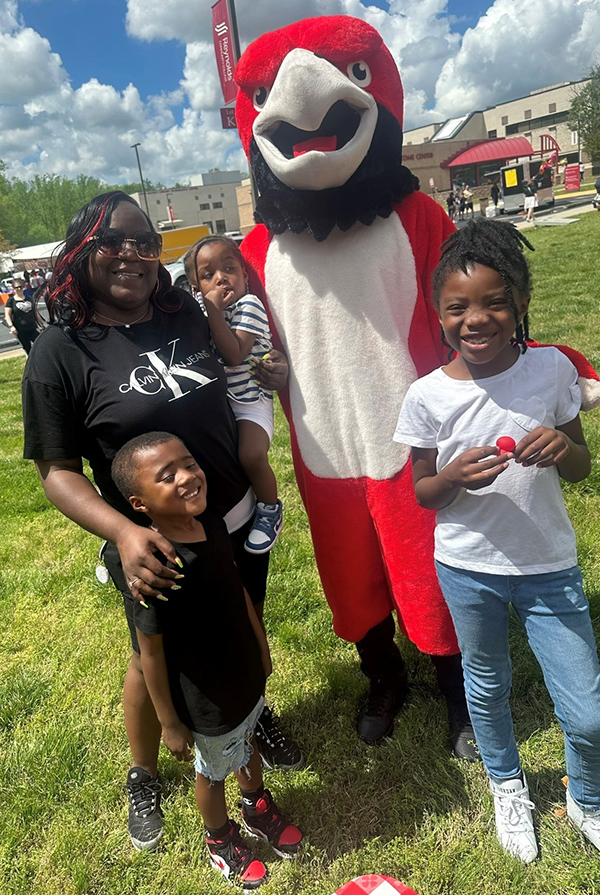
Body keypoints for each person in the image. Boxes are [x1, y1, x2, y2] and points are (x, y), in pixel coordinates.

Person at [21, 190, 303, 855]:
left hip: (232, 517)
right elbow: (56, 470)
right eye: (111, 241)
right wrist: (121, 532)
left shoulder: (185, 314)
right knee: (152, 655)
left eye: (143, 242)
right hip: (155, 544)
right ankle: (144, 771)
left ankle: (244, 716)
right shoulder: (60, 352)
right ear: (82, 251)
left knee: (237, 625)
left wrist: (273, 369)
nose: (130, 254)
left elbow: (239, 372)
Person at [394, 218, 600, 862]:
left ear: (520, 304)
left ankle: (586, 796)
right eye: (457, 308)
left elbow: (581, 465)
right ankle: (506, 783)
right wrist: (450, 477)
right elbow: (423, 492)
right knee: (487, 683)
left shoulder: (549, 370)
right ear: (439, 313)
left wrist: (564, 445)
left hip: (548, 564)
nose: (475, 319)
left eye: (494, 302)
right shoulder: (427, 395)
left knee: (587, 709)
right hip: (467, 566)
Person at [111, 432, 303, 889]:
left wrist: (261, 644)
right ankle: (219, 838)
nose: (186, 477)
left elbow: (237, 588)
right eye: (167, 475)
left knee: (250, 739)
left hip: (242, 672)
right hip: (204, 695)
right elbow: (150, 652)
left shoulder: (212, 522)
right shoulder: (156, 566)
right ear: (140, 504)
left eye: (188, 463)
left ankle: (256, 803)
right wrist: (170, 723)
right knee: (213, 770)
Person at [184, 236, 283, 555]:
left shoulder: (248, 305)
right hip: (222, 404)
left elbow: (235, 355)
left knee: (251, 455)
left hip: (251, 400)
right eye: (208, 275)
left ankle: (270, 509)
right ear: (196, 287)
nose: (220, 278)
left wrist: (213, 312)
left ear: (244, 273)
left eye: (229, 268)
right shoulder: (201, 307)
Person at [5, 278, 44, 354]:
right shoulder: (11, 301)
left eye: (20, 287)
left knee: (40, 343)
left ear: (23, 287)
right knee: (28, 349)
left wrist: (41, 323)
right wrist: (11, 326)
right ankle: (31, 363)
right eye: (16, 287)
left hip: (32, 327)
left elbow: (35, 312)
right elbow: (7, 314)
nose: (19, 289)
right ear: (13, 289)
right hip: (20, 330)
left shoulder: (29, 298)